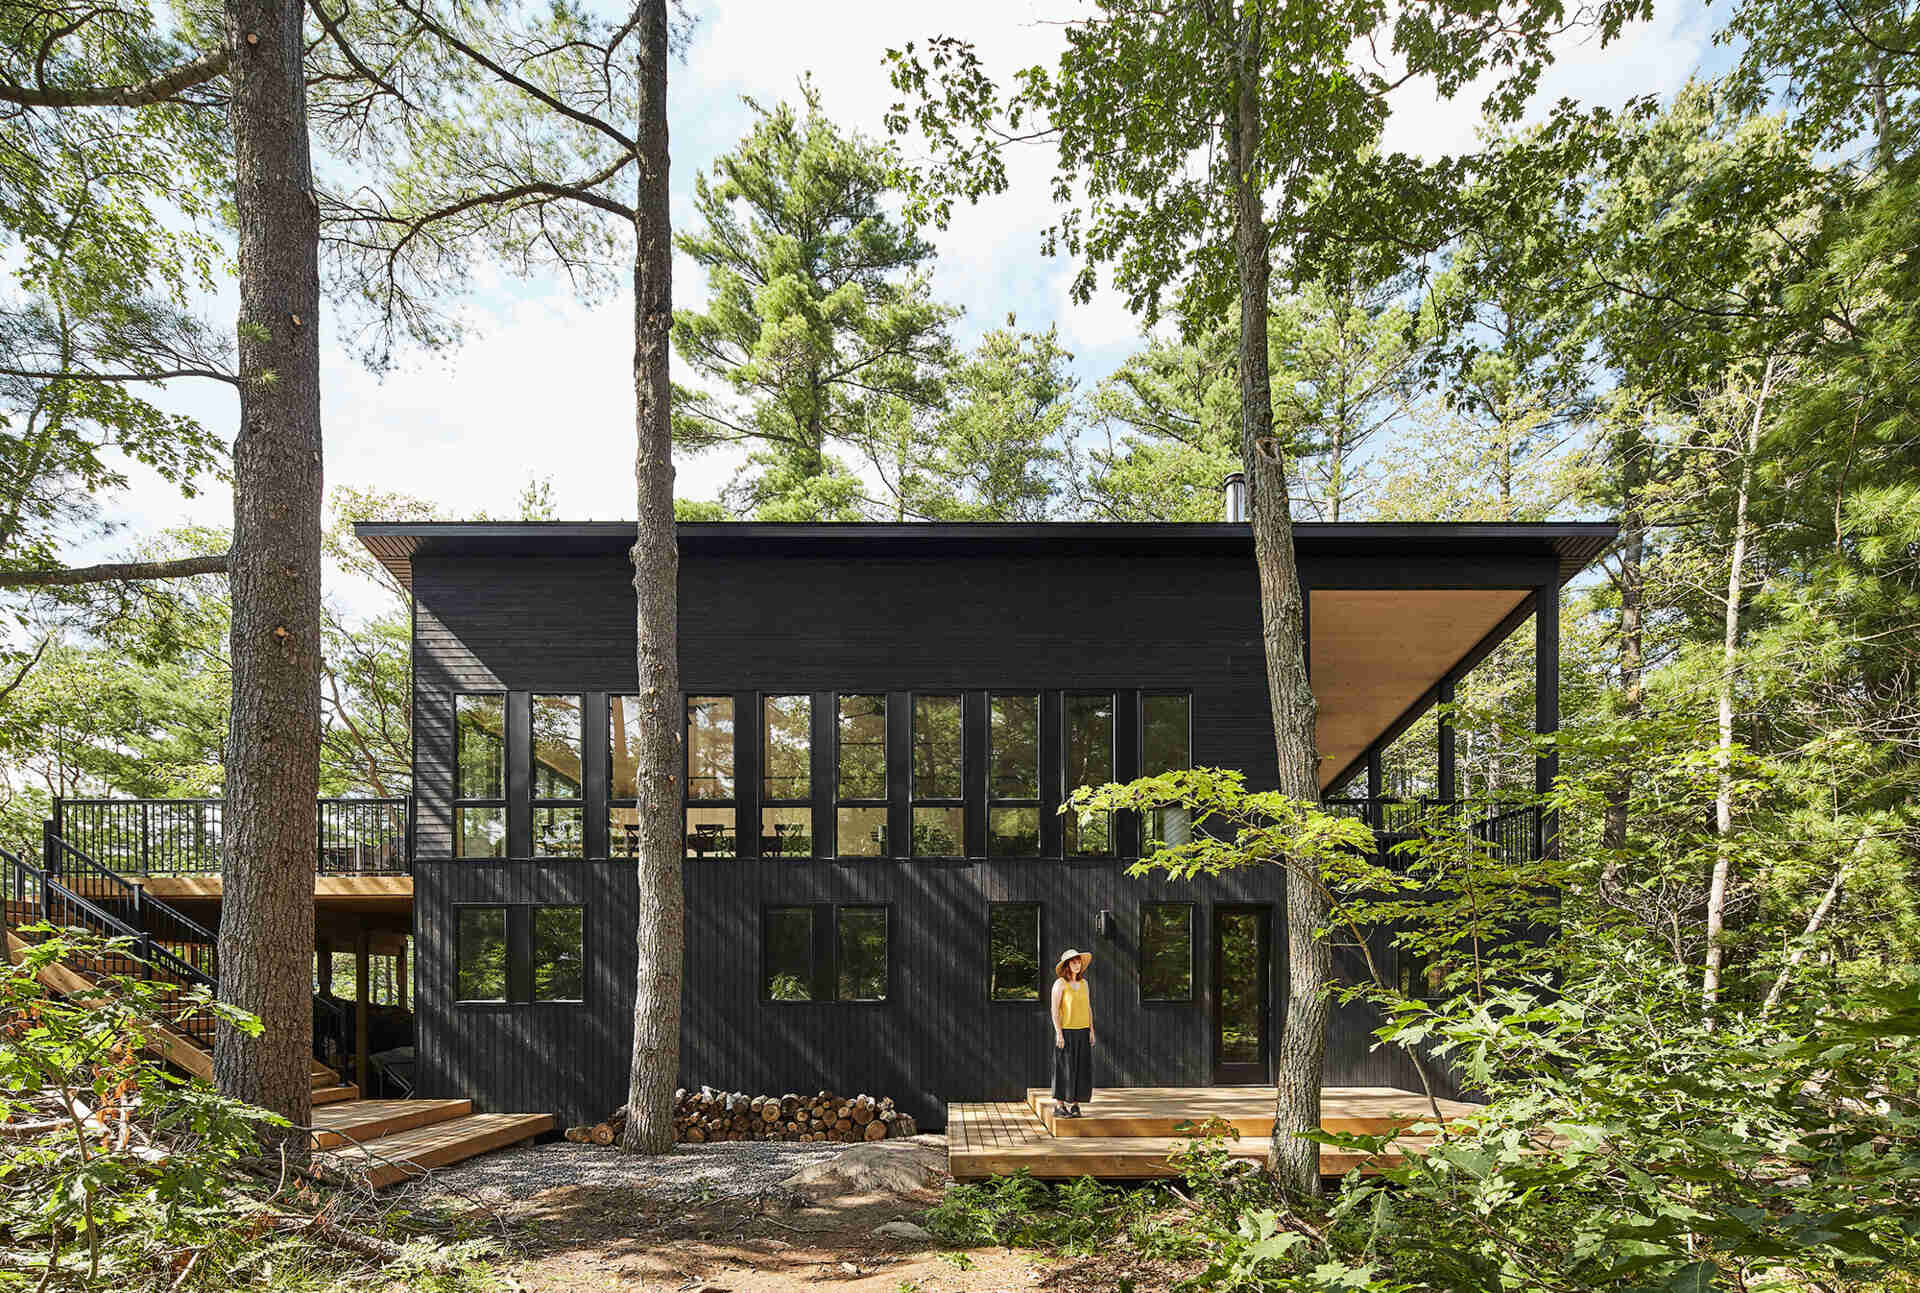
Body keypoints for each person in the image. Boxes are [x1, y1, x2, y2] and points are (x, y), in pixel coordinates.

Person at [1050, 948, 1096, 1118]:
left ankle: (1075, 1105)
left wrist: (1091, 1030)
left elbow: (1088, 1008)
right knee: (1063, 1068)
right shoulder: (1060, 983)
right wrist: (1058, 1033)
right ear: (1067, 965)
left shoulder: (1084, 984)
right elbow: (1054, 1010)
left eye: (1079, 962)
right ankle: (1059, 1106)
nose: (1077, 965)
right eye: (1073, 962)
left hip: (1083, 1031)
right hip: (1066, 1032)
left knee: (1081, 1069)